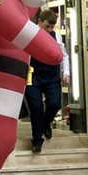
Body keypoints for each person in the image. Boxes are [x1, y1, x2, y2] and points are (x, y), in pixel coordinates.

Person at [25, 9, 70, 153]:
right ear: (39, 22)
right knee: (36, 108)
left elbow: (64, 56)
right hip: (33, 75)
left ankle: (46, 123)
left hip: (51, 76)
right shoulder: (30, 33)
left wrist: (66, 72)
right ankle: (37, 140)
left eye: (52, 27)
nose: (49, 29)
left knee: (55, 103)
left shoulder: (56, 36)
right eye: (47, 26)